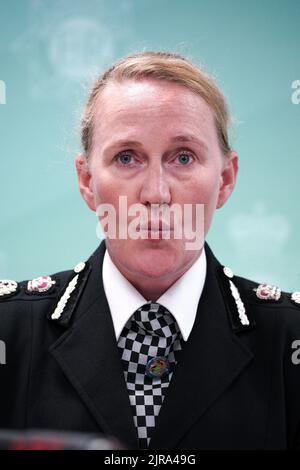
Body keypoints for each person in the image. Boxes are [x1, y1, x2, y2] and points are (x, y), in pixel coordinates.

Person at [1, 51, 300, 450]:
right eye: (127, 157)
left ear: (226, 179)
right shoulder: (8, 332)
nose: (156, 194)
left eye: (183, 157)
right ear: (88, 181)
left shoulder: (290, 341)